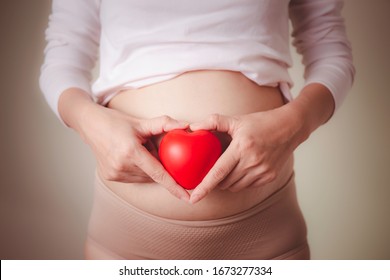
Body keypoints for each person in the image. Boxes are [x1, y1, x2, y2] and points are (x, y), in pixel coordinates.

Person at [39, 0, 354, 260]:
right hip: (125, 241)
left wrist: (294, 125)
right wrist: (89, 123)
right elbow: (63, 57)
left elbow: (330, 51)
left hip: (264, 236)